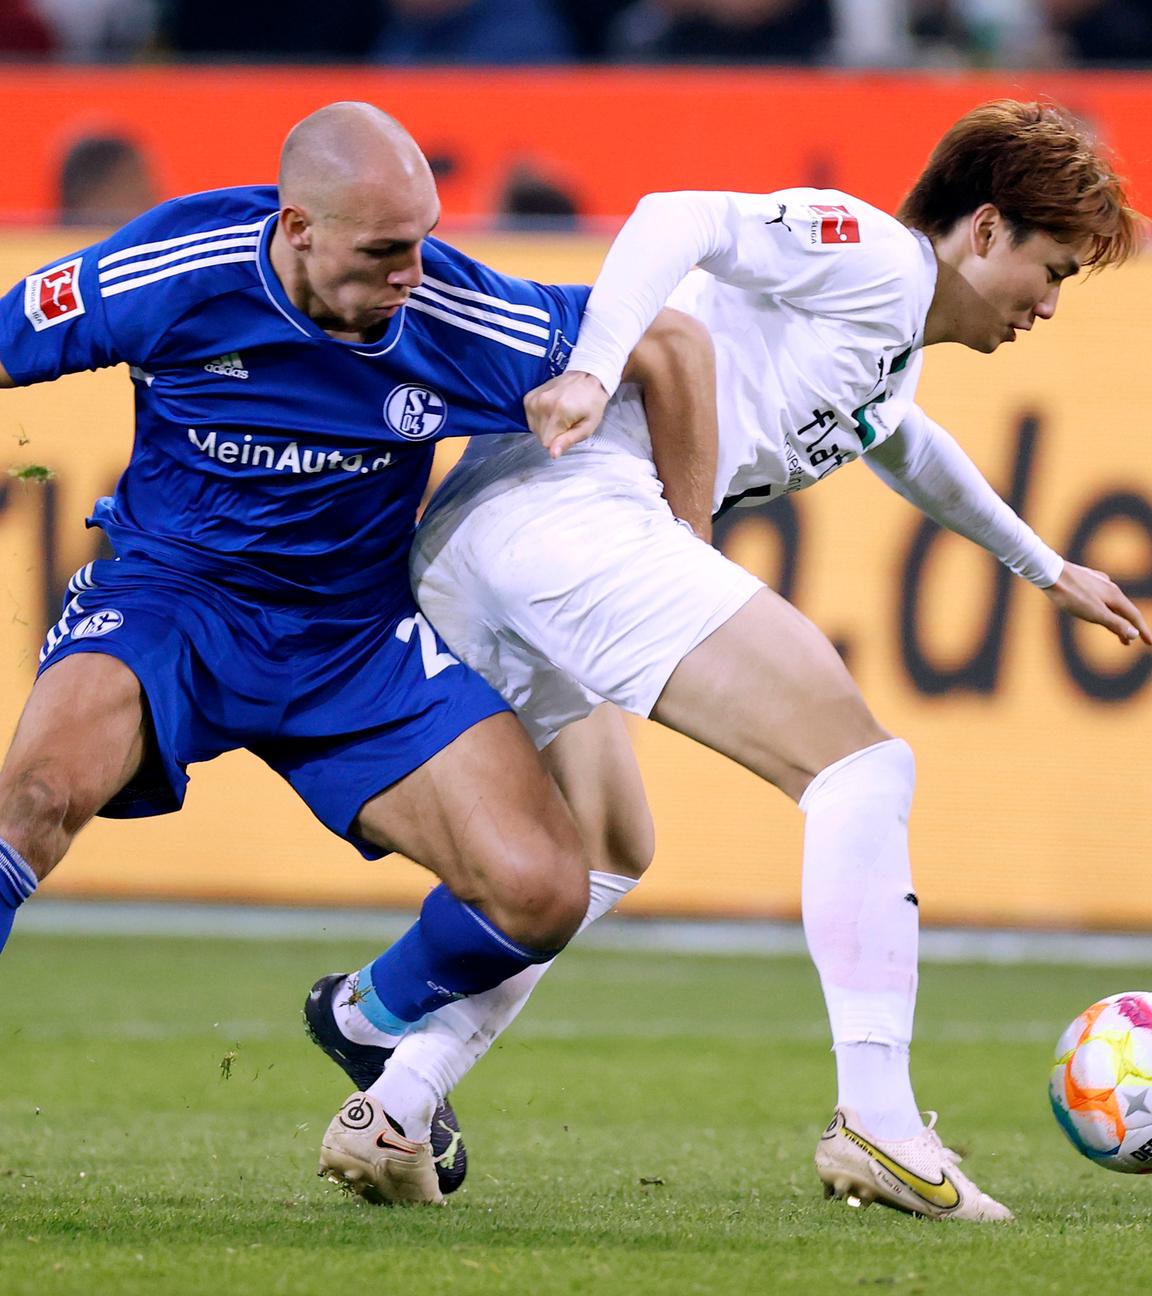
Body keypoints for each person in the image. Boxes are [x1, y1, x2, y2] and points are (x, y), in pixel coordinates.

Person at [379, 100, 1145, 1219]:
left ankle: (399, 1093)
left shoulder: (884, 354)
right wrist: (594, 370)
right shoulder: (877, 256)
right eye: (1054, 267)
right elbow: (675, 214)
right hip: (574, 508)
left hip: (476, 546)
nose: (1050, 304)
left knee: (600, 848)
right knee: (861, 771)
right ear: (984, 230)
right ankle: (879, 1124)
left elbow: (906, 446)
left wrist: (1045, 569)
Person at [0, 101, 709, 1207]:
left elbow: (666, 341)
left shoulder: (456, 308)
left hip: (353, 639)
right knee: (32, 798)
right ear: (298, 229)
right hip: (173, 604)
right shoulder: (174, 267)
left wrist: (686, 550)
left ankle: (367, 1018)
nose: (411, 273)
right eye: (384, 251)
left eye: (422, 241)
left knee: (544, 892)